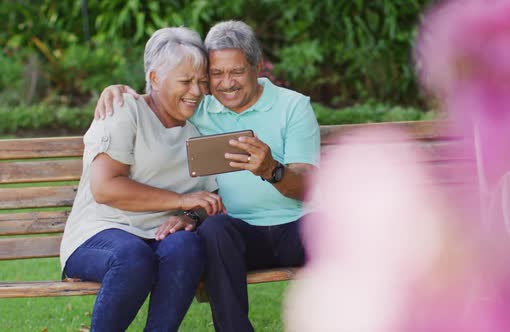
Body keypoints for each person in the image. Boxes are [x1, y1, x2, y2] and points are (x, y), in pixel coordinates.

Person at [95, 20, 321, 332]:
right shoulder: (198, 108)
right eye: (216, 74)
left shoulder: (293, 106)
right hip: (237, 234)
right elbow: (161, 96)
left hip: (296, 227)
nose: (227, 83)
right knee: (214, 231)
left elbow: (308, 188)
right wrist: (117, 90)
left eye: (237, 71)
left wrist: (272, 169)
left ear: (257, 67)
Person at [60, 27, 225, 332]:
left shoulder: (200, 126)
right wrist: (181, 200)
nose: (197, 91)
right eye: (186, 81)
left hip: (160, 237)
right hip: (101, 233)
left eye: (202, 82)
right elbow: (106, 187)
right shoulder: (124, 110)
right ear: (154, 79)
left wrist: (191, 213)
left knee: (187, 247)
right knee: (133, 256)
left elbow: (208, 199)